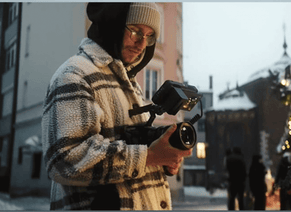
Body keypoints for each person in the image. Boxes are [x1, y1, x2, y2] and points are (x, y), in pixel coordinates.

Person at [41, 3, 191, 210]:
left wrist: (164, 156)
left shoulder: (129, 82)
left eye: (149, 36)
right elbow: (65, 161)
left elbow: (129, 143)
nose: (141, 43)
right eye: (136, 31)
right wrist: (150, 156)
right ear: (112, 24)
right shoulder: (74, 75)